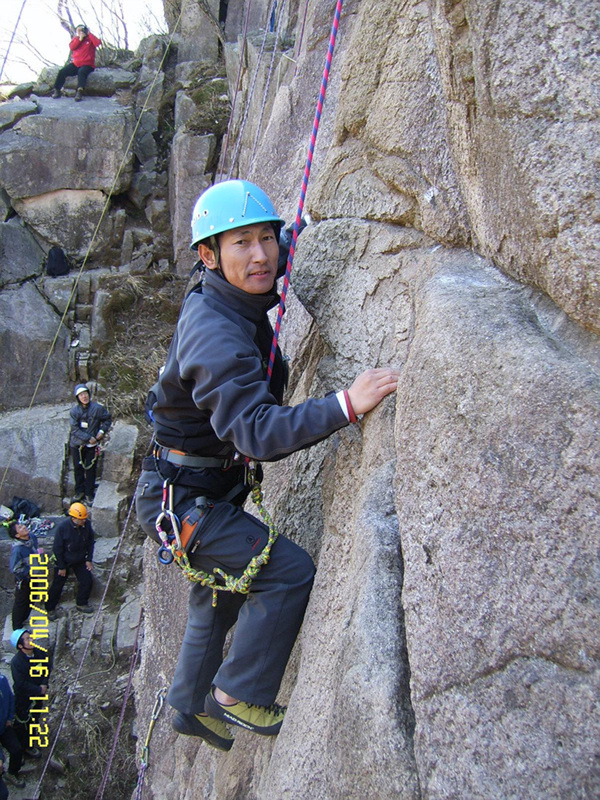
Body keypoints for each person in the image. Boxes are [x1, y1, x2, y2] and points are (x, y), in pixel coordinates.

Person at [135, 179, 399, 751]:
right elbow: (255, 431)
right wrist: (345, 404)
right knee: (285, 570)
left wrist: (293, 235)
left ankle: (189, 704)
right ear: (209, 255)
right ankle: (238, 692)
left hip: (194, 486)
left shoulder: (226, 294)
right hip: (185, 499)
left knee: (222, 590)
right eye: (241, 244)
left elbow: (267, 251)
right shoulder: (212, 333)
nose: (260, 256)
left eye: (267, 240)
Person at [46, 503, 95, 619]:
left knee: (87, 580)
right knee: (57, 585)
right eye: (81, 519)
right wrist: (61, 566)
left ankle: (81, 603)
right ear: (73, 519)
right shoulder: (63, 528)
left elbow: (90, 542)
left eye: (84, 519)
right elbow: (57, 548)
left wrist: (88, 559)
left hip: (79, 559)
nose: (84, 521)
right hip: (64, 560)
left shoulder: (86, 525)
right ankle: (50, 608)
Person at [69, 383, 111, 503]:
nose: (84, 397)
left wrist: (101, 431)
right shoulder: (74, 412)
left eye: (85, 394)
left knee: (91, 469)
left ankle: (89, 493)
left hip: (91, 446)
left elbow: (107, 419)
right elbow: (74, 429)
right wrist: (88, 438)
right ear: (78, 398)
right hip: (77, 445)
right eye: (81, 395)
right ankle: (79, 491)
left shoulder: (97, 409)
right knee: (78, 468)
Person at [10, 630, 48, 764]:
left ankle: (30, 743)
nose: (31, 640)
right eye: (27, 639)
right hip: (24, 698)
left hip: (38, 695)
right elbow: (20, 683)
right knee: (22, 723)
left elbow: (47, 667)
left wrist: (44, 684)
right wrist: (39, 689)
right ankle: (24, 746)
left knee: (34, 719)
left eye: (30, 637)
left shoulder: (39, 653)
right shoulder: (16, 662)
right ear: (20, 646)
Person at [52, 24, 101, 102]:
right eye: (78, 30)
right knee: (62, 72)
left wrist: (89, 33)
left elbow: (97, 43)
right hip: (76, 64)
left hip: (88, 64)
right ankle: (57, 90)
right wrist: (80, 39)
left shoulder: (90, 39)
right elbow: (72, 47)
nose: (80, 32)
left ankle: (79, 91)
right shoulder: (76, 39)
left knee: (81, 72)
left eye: (81, 30)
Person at [8, 520, 42, 629]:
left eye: (22, 525)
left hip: (34, 576)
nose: (23, 527)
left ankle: (24, 619)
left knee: (32, 598)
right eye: (20, 528)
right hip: (24, 580)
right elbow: (15, 569)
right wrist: (28, 573)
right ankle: (17, 627)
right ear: (17, 535)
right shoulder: (18, 550)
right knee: (21, 602)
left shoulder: (32, 537)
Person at [0, 668, 25, 789]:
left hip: (4, 726)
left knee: (17, 749)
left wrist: (9, 718)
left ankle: (12, 772)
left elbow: (10, 698)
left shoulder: (2, 680)